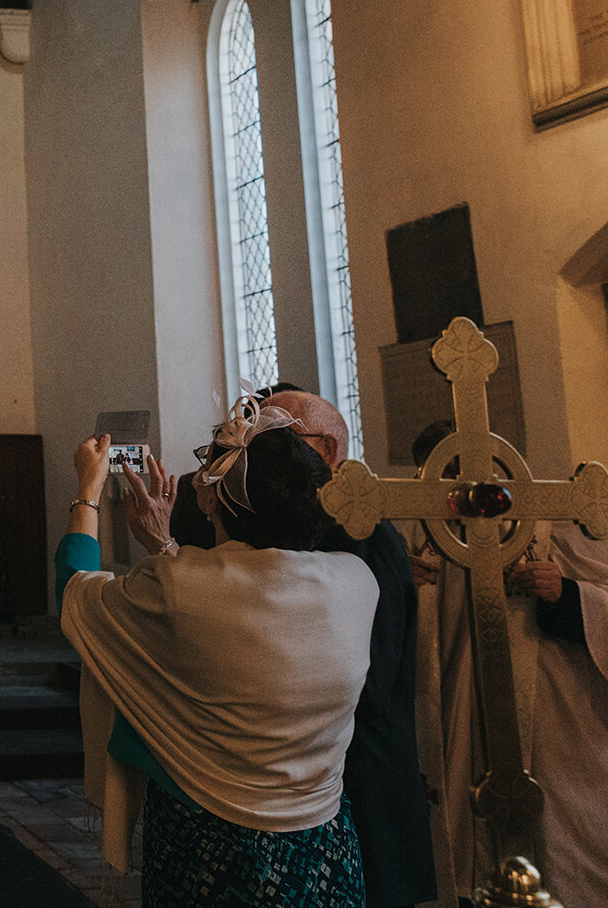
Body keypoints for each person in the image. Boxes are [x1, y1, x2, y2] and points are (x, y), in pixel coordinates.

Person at [59, 395, 378, 905]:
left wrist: (88, 490)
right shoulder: (358, 582)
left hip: (212, 839)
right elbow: (241, 610)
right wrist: (165, 549)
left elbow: (74, 591)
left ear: (213, 500)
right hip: (321, 840)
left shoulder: (180, 585)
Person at [143, 389, 436, 908]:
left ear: (323, 450)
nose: (263, 456)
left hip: (359, 784)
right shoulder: (297, 524)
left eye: (280, 440)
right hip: (308, 784)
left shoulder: (365, 537)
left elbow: (374, 682)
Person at [409, 423, 608, 907]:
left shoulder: (547, 521)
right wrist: (397, 587)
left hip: (557, 731)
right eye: (444, 475)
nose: (462, 486)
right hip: (461, 722)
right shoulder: (419, 539)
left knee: (565, 853)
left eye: (468, 469)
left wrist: (569, 594)